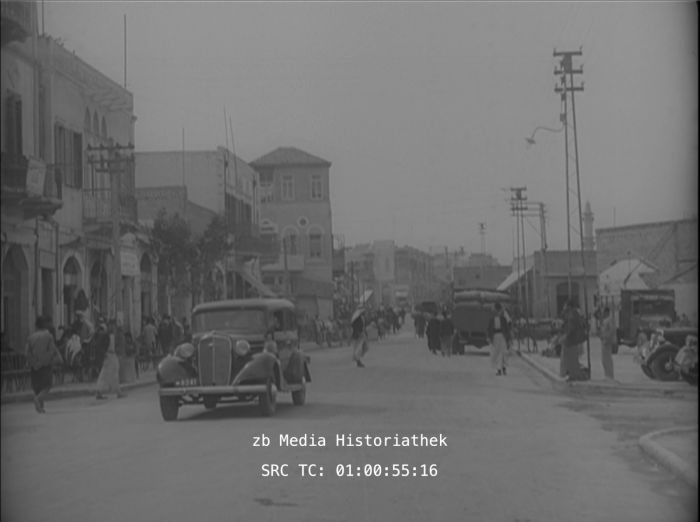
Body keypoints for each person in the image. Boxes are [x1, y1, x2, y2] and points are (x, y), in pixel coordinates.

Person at [25, 315, 63, 413]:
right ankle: (38, 400)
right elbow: (51, 350)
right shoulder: (48, 336)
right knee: (47, 385)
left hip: (34, 366)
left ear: (36, 326)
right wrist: (48, 360)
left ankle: (40, 407)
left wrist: (34, 363)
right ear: (45, 325)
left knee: (37, 386)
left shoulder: (31, 337)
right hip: (45, 365)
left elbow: (27, 353)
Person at [95, 319, 125, 400]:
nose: (113, 327)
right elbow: (99, 345)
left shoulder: (113, 335)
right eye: (112, 326)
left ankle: (117, 391)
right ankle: (101, 391)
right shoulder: (106, 335)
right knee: (106, 373)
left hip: (113, 355)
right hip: (108, 355)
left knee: (113, 373)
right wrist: (103, 353)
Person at [560, 300, 587, 381]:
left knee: (571, 359)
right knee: (572, 359)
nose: (564, 307)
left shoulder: (572, 314)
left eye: (565, 305)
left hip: (571, 340)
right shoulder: (573, 313)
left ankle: (574, 375)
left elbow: (571, 327)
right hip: (572, 340)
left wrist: (565, 336)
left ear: (569, 306)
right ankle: (573, 375)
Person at [487, 303, 511, 375]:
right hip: (495, 336)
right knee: (497, 353)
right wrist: (489, 337)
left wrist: (508, 338)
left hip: (501, 336)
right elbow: (489, 328)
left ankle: (503, 368)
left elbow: (507, 326)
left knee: (503, 352)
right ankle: (499, 369)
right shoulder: (492, 317)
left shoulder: (503, 316)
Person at [599, 306, 616, 381]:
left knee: (607, 359)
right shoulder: (605, 320)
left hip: (607, 341)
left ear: (606, 312)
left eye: (603, 312)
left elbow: (611, 330)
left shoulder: (610, 320)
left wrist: (606, 337)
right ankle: (607, 374)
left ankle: (610, 375)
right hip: (604, 341)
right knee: (604, 359)